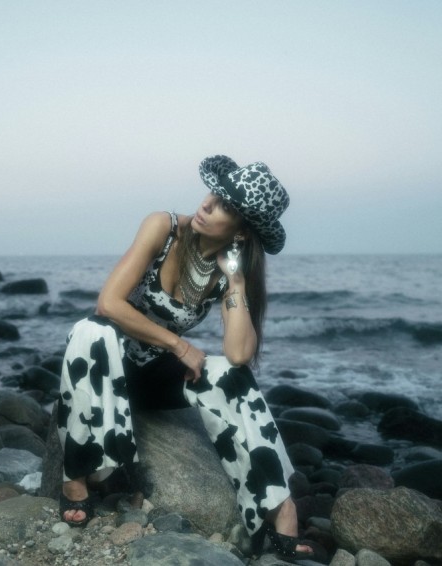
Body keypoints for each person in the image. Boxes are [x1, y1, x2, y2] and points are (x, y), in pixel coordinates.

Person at [56, 155, 313, 559]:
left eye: (226, 205)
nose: (208, 203)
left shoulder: (223, 272)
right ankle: (76, 476)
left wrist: (236, 279)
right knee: (91, 330)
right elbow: (108, 303)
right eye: (215, 194)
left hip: (153, 380)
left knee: (231, 375)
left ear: (242, 231)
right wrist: (179, 345)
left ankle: (280, 505)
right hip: (107, 369)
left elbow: (239, 353)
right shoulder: (163, 227)